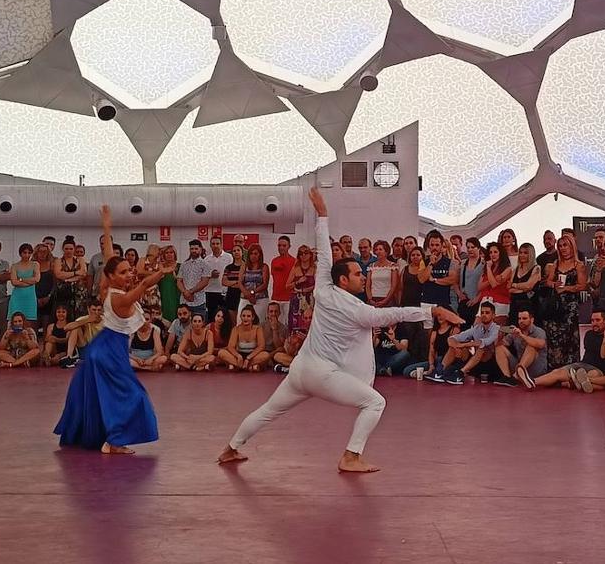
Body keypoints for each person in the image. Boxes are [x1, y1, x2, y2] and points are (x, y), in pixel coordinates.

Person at [218, 187, 463, 473]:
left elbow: (324, 253)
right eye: (358, 274)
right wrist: (431, 310)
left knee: (269, 411)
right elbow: (391, 313)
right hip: (323, 375)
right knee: (375, 403)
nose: (363, 276)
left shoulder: (323, 288)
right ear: (344, 281)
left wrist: (322, 215)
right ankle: (351, 456)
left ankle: (230, 449)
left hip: (300, 370)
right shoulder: (358, 310)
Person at [55, 205, 169, 454]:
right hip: (110, 350)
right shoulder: (120, 298)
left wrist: (107, 228)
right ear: (112, 276)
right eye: (124, 272)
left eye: (129, 270)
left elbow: (108, 256)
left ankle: (106, 438)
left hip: (103, 346)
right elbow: (146, 283)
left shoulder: (108, 287)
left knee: (102, 395)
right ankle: (113, 441)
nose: (129, 274)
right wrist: (163, 270)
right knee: (131, 395)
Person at [543, 234, 587, 368]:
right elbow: (548, 281)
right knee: (554, 338)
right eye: (560, 246)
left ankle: (570, 370)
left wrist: (566, 288)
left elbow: (582, 285)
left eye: (565, 245)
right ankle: (553, 369)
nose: (563, 249)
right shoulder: (555, 264)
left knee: (569, 339)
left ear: (571, 246)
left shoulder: (578, 265)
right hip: (555, 306)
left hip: (570, 307)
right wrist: (553, 284)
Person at [218, 306, 266, 372]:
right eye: (243, 316)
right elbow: (231, 347)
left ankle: (238, 366)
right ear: (240, 317)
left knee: (266, 355)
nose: (245, 318)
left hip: (252, 356)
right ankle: (247, 366)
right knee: (221, 353)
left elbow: (261, 346)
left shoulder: (258, 329)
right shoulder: (236, 329)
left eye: (248, 316)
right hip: (238, 356)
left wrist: (248, 358)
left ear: (253, 317)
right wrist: (238, 356)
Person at [8, 244, 41, 328]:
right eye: (24, 253)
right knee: (14, 320)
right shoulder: (15, 266)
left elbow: (37, 279)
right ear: (20, 253)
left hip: (30, 297)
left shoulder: (35, 264)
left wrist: (21, 279)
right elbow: (14, 282)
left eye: (29, 253)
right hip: (17, 297)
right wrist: (30, 281)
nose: (27, 255)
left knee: (30, 322)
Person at [129, 308, 169, 372]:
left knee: (163, 358)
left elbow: (159, 352)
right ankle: (148, 368)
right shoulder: (132, 331)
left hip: (150, 359)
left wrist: (151, 359)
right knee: (123, 359)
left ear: (151, 320)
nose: (144, 321)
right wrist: (136, 359)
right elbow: (125, 351)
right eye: (142, 319)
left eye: (147, 319)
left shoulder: (154, 331)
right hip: (135, 359)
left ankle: (138, 367)